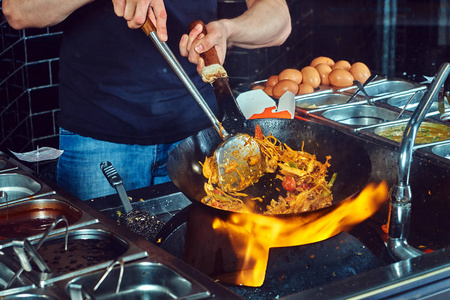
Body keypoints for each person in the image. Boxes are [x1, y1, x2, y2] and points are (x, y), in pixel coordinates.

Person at [3, 0, 291, 200]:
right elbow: (18, 10)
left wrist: (228, 30)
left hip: (200, 142)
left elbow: (279, 20)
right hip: (98, 145)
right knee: (100, 275)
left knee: (201, 277)